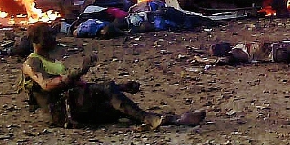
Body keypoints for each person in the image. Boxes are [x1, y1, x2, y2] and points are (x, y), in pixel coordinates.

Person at [19, 24, 204, 129]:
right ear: (35, 41)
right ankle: (153, 119)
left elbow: (81, 86)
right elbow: (48, 85)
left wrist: (122, 87)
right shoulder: (32, 63)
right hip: (60, 111)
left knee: (119, 109)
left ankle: (173, 119)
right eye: (47, 36)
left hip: (73, 105)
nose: (53, 39)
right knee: (107, 90)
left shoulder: (52, 61)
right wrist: (80, 71)